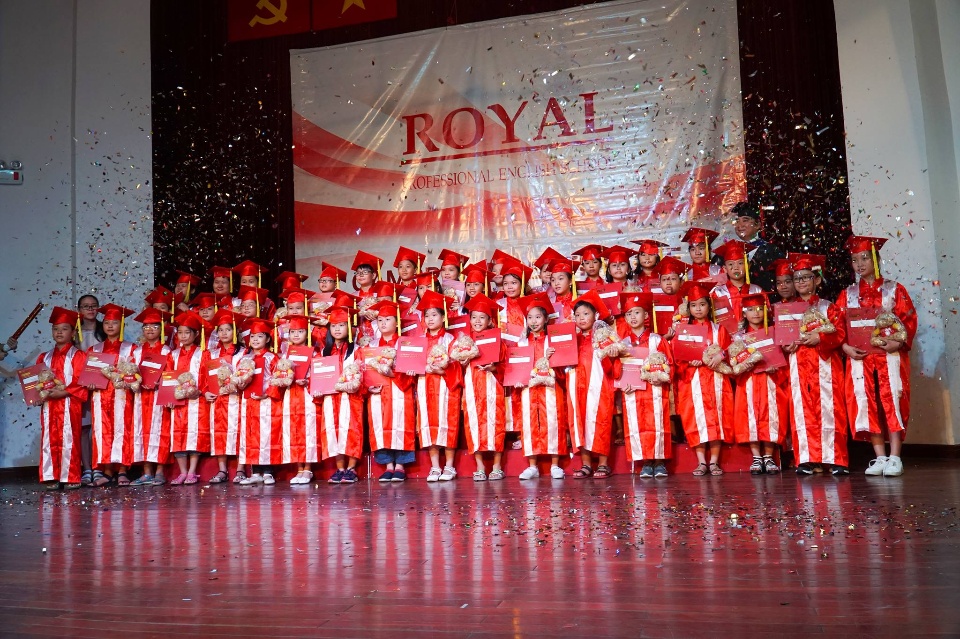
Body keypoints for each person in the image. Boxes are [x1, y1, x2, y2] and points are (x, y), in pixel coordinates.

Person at [836, 235, 917, 477]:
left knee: (892, 400)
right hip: (860, 357)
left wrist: (898, 342)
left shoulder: (893, 289)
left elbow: (908, 319)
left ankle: (895, 457)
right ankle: (880, 456)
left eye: (864, 258)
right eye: (854, 260)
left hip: (888, 356)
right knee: (865, 401)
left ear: (876, 259)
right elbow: (838, 326)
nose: (859, 264)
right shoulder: (848, 294)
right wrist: (845, 347)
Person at [784, 254, 850, 475]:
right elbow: (781, 340)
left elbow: (840, 333)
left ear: (817, 280)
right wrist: (786, 347)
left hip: (825, 364)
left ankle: (836, 459)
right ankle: (806, 459)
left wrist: (820, 338)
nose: (801, 282)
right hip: (799, 364)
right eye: (797, 278)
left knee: (831, 408)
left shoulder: (828, 307)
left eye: (806, 277)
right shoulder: (787, 310)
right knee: (802, 409)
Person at [674, 281, 734, 476]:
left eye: (702, 304)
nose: (698, 309)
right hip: (693, 380)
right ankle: (701, 462)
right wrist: (689, 362)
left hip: (716, 379)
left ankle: (714, 462)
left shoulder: (719, 330)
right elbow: (678, 360)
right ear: (689, 308)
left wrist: (721, 356)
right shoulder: (684, 331)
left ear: (709, 306)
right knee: (695, 419)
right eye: (693, 305)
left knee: (717, 418)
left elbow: (729, 351)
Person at [615, 291, 673, 478]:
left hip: (655, 390)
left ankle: (660, 461)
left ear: (646, 315)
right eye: (628, 314)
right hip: (633, 391)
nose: (633, 317)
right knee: (637, 423)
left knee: (657, 423)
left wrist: (661, 377)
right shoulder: (623, 344)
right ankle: (646, 461)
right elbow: (617, 370)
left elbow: (670, 365)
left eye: (637, 312)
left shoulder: (658, 340)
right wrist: (622, 383)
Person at [513, 293, 567, 479]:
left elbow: (562, 367)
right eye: (530, 317)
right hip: (528, 389)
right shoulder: (521, 342)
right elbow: (516, 367)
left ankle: (555, 465)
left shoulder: (553, 340)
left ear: (545, 319)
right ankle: (532, 466)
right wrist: (517, 378)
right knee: (529, 423)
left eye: (538, 317)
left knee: (553, 421)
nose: (534, 321)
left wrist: (554, 356)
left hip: (550, 388)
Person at [732, 292, 788, 475]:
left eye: (759, 309)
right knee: (750, 417)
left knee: (771, 415)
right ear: (744, 313)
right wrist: (743, 366)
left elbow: (782, 358)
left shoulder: (774, 332)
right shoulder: (739, 338)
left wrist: (776, 367)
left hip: (770, 380)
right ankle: (757, 457)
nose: (756, 313)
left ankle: (769, 456)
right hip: (748, 381)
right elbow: (734, 364)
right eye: (751, 309)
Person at [363, 300, 416, 482]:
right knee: (379, 424)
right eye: (380, 320)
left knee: (401, 422)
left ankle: (400, 465)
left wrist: (393, 373)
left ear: (397, 321)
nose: (383, 323)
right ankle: (388, 465)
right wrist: (368, 386)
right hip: (378, 392)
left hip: (399, 389)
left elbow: (410, 371)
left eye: (388, 319)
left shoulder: (405, 343)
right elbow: (364, 371)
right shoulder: (371, 346)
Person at [35, 307, 88, 490]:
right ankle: (51, 475)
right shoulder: (44, 357)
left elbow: (81, 381)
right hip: (49, 405)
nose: (59, 332)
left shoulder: (78, 355)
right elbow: (36, 382)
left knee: (69, 437)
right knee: (49, 437)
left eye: (64, 329)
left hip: (69, 403)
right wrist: (37, 396)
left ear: (73, 332)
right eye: (56, 329)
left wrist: (63, 392)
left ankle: (71, 476)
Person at [568, 290, 618, 479]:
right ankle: (586, 464)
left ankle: (603, 464)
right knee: (579, 422)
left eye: (586, 313)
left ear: (596, 315)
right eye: (577, 315)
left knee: (601, 421)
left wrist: (611, 355)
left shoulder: (603, 338)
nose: (581, 318)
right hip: (576, 386)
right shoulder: (572, 340)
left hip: (599, 386)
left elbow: (614, 366)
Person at [414, 291, 463, 481]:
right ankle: (435, 466)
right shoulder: (419, 340)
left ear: (443, 317)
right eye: (426, 315)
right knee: (428, 424)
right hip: (425, 387)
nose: (430, 319)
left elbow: (457, 367)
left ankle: (449, 466)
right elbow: (412, 364)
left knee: (448, 422)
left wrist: (442, 371)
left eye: (434, 315)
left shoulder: (451, 339)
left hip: (445, 387)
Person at [86, 304, 137, 487]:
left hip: (122, 395)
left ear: (121, 325)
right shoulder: (94, 349)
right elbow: (88, 374)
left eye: (114, 323)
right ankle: (107, 471)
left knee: (122, 430)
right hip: (100, 395)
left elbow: (136, 373)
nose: (109, 326)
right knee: (103, 431)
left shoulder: (131, 349)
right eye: (107, 322)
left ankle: (122, 470)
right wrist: (89, 382)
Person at [460, 294, 507, 481]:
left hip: (492, 385)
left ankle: (496, 466)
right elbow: (456, 367)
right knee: (473, 423)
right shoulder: (465, 341)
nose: (477, 321)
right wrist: (462, 362)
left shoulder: (498, 341)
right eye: (474, 317)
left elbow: (506, 366)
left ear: (490, 321)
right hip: (472, 386)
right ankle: (480, 467)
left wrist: (494, 368)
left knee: (496, 423)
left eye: (482, 317)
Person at [316, 306, 365, 484]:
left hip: (350, 398)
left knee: (351, 430)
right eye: (334, 325)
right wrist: (317, 389)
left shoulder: (357, 350)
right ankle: (340, 468)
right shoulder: (323, 352)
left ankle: (351, 468)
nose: (337, 329)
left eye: (342, 325)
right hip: (330, 398)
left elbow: (363, 374)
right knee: (333, 430)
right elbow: (317, 377)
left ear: (349, 328)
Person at [165, 311, 213, 485]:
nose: (183, 336)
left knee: (194, 434)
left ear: (196, 334)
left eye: (187, 332)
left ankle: (192, 472)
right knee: (178, 435)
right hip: (178, 401)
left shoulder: (203, 354)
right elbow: (168, 377)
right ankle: (182, 472)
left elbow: (207, 377)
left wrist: (201, 391)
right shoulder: (173, 355)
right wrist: (169, 397)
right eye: (180, 333)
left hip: (197, 401)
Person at [237, 317, 284, 485]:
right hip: (249, 403)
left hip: (267, 403)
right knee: (251, 435)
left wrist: (267, 393)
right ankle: (255, 472)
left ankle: (268, 472)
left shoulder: (273, 358)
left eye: (260, 336)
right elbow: (238, 378)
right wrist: (239, 383)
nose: (255, 339)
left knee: (267, 435)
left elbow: (279, 378)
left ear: (268, 339)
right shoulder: (245, 358)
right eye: (253, 336)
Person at [129, 308, 172, 487]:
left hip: (158, 398)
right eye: (146, 326)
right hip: (140, 398)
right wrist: (134, 381)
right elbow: (129, 374)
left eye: (154, 326)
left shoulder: (167, 351)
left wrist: (159, 382)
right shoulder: (137, 352)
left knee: (159, 432)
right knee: (142, 432)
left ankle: (160, 472)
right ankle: (146, 472)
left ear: (161, 329)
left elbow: (170, 374)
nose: (150, 330)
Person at [204, 308, 246, 484]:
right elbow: (204, 377)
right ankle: (222, 470)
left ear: (235, 331)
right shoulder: (211, 353)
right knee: (219, 432)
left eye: (228, 329)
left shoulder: (244, 352)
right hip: (218, 400)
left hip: (237, 398)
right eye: (220, 330)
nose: (224, 333)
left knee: (239, 431)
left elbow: (246, 374)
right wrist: (206, 391)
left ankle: (240, 469)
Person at [724, 200, 785, 292]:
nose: (740, 225)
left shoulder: (771, 250)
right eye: (737, 221)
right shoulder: (731, 251)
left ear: (758, 225)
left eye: (745, 220)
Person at [76, 294, 104, 485]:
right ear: (79, 310)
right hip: (81, 385)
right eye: (86, 306)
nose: (90, 309)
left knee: (101, 428)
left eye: (94, 306)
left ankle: (100, 467)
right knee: (84, 428)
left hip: (102, 384)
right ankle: (87, 468)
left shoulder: (105, 330)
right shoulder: (73, 332)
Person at [710, 240, 763, 328]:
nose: (736, 268)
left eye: (740, 263)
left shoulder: (757, 291)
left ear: (748, 266)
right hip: (726, 335)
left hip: (753, 335)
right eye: (731, 264)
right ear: (725, 269)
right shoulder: (717, 293)